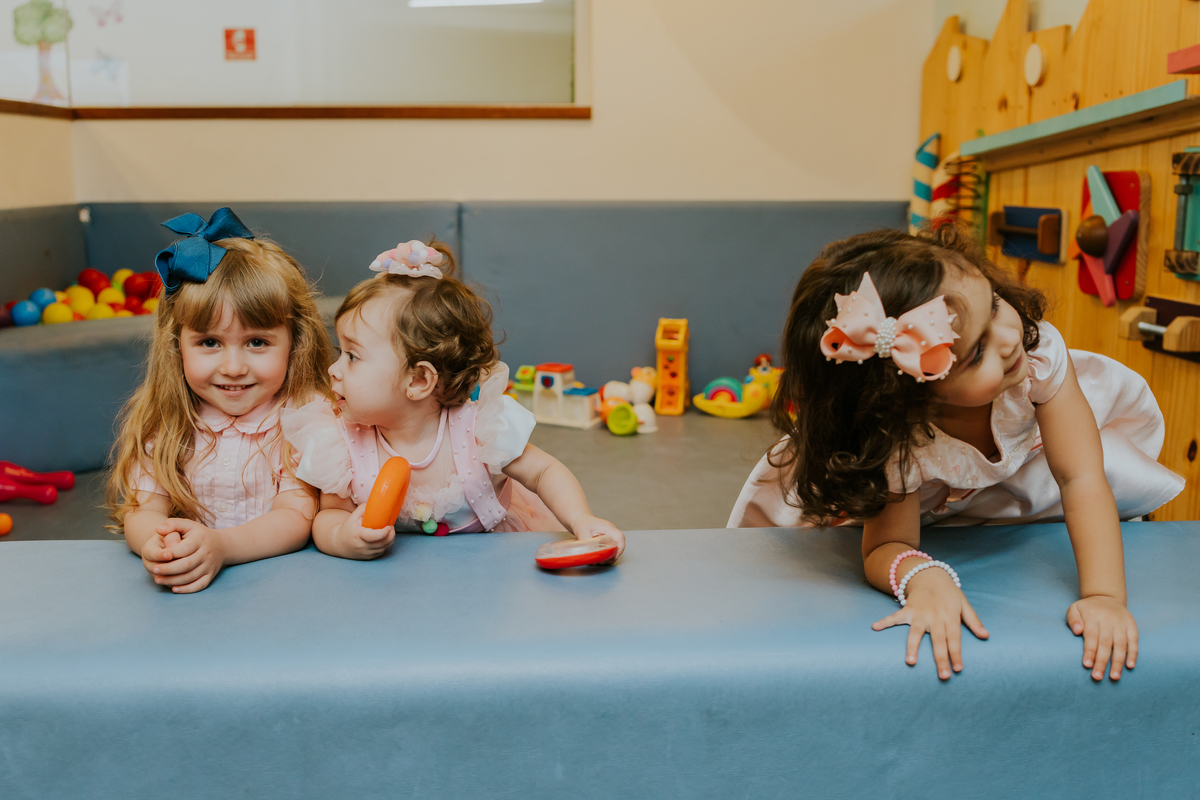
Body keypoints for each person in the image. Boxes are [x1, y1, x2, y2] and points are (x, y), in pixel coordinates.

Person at [728, 223, 1183, 681]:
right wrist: (923, 577)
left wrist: (1104, 596)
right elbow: (889, 544)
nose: (1008, 337)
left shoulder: (1036, 353)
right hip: (934, 501)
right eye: (976, 352)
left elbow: (1080, 476)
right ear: (911, 396)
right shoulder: (897, 440)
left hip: (1033, 465)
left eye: (995, 306)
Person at [283, 239, 625, 560]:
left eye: (353, 357)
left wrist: (581, 518)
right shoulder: (340, 444)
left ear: (418, 380)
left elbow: (544, 472)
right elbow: (329, 515)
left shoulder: (480, 432)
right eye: (340, 352)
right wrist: (343, 537)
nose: (332, 369)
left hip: (489, 570)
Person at [107, 208, 334, 592]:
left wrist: (222, 546)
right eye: (209, 342)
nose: (232, 367)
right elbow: (144, 509)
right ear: (176, 345)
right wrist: (159, 546)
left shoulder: (304, 416)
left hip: (283, 591)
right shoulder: (168, 418)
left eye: (257, 342)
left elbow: (295, 517)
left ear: (294, 343)